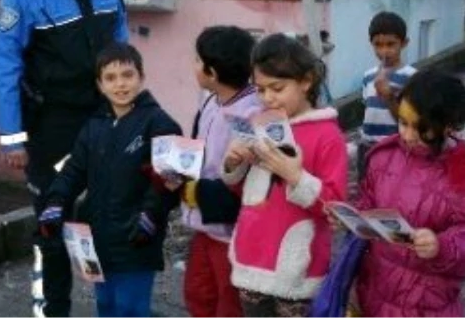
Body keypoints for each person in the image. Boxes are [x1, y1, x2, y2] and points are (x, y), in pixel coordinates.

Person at [0, 0, 130, 318]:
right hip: (51, 128)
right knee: (51, 228)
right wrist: (12, 140)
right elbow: (4, 69)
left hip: (103, 121)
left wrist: (133, 108)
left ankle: (115, 309)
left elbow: (124, 51)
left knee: (110, 220)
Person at [38, 42, 182, 318]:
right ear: (100, 85)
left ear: (141, 77)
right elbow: (73, 171)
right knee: (107, 307)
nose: (120, 85)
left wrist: (151, 215)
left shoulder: (160, 123)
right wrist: (56, 200)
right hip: (97, 238)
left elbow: (170, 181)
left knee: (131, 309)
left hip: (136, 237)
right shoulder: (94, 126)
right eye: (111, 78)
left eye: (128, 75)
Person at [221, 34, 348, 318]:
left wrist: (296, 177)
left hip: (296, 267)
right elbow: (249, 194)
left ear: (306, 81)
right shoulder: (260, 125)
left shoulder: (327, 135)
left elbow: (336, 207)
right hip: (252, 255)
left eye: (277, 88)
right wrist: (234, 164)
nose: (268, 98)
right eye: (260, 89)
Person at [350, 70, 465, 317]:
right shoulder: (384, 156)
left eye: (420, 128)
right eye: (403, 122)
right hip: (374, 290)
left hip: (425, 304)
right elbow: (368, 201)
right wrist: (351, 214)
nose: (406, 135)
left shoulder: (463, 179)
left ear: (448, 126)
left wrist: (442, 246)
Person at [181, 26, 263, 318]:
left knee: (228, 304)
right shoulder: (210, 101)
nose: (193, 64)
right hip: (204, 227)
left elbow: (243, 179)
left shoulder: (249, 114)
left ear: (212, 72)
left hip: (230, 233)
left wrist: (200, 193)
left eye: (196, 59)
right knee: (198, 295)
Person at [357, 11, 417, 178]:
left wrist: (389, 96)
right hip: (368, 146)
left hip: (395, 147)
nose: (384, 51)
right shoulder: (368, 76)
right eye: (378, 45)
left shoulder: (412, 77)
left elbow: (412, 121)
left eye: (391, 44)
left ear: (404, 43)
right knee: (367, 192)